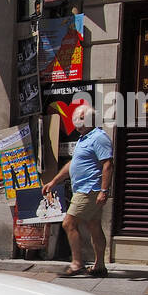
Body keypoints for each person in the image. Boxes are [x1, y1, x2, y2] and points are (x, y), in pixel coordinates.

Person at [44, 102, 113, 277]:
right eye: (76, 119)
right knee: (94, 226)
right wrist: (54, 182)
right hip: (84, 189)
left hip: (89, 190)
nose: (77, 123)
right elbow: (72, 165)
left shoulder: (99, 137)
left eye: (81, 119)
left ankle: (77, 264)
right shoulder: (84, 138)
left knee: (69, 223)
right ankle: (99, 266)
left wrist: (104, 191)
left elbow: (107, 165)